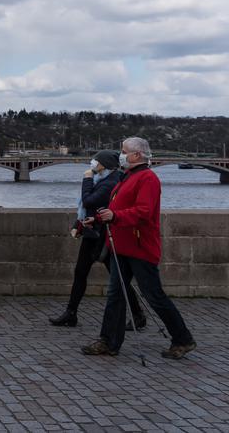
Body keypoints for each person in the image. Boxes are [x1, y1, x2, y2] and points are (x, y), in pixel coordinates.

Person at [81, 137, 197, 359]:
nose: (120, 154)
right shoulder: (128, 176)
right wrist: (97, 219)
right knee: (116, 295)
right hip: (122, 246)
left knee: (154, 295)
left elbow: (143, 211)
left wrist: (114, 216)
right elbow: (116, 208)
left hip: (140, 247)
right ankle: (109, 341)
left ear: (136, 155)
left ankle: (183, 338)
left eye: (124, 151)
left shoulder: (148, 179)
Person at [48, 150, 145, 329]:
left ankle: (137, 314)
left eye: (96, 161)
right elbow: (89, 210)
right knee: (83, 273)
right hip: (94, 232)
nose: (93, 163)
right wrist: (79, 224)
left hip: (102, 236)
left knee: (116, 278)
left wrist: (86, 179)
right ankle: (71, 313)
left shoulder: (110, 182)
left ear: (104, 164)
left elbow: (88, 201)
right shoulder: (105, 179)